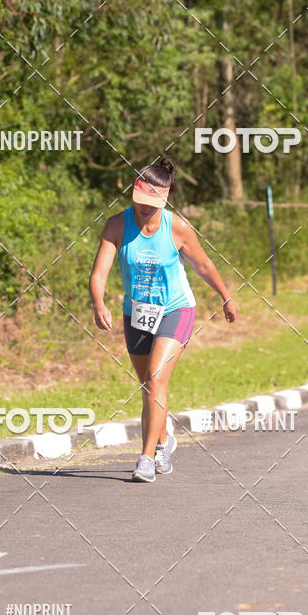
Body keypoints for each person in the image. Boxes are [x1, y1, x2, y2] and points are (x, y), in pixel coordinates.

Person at [89, 157, 236, 483]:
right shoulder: (116, 225)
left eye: (153, 203)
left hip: (176, 310)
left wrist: (225, 297)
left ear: (166, 198)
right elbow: (99, 273)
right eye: (140, 200)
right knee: (149, 387)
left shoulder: (178, 227)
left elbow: (205, 266)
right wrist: (98, 302)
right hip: (137, 313)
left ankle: (146, 457)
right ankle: (164, 440)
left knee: (155, 379)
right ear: (133, 192)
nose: (145, 208)